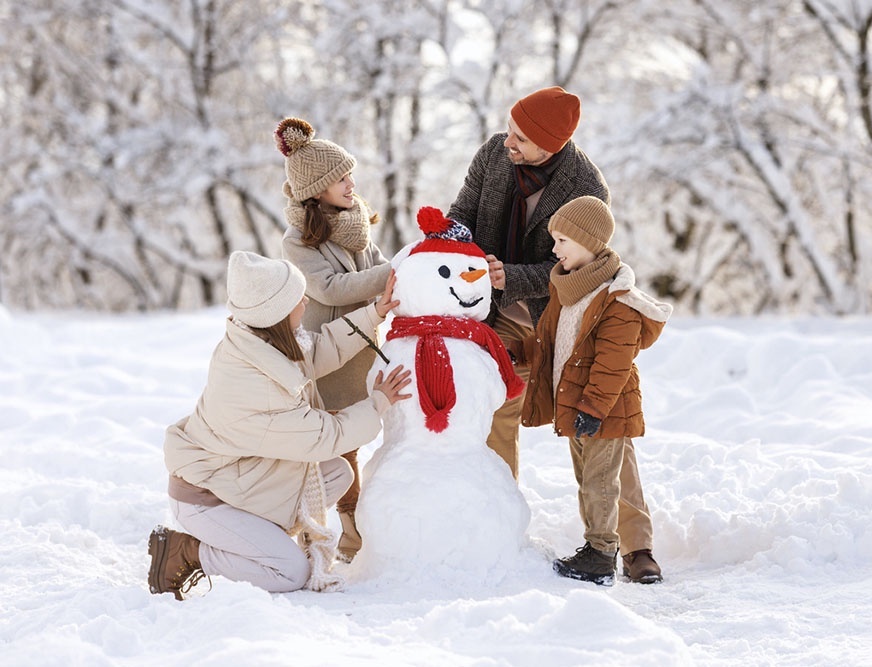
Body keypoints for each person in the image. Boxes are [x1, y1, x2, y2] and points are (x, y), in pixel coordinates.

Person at [446, 86, 664, 582]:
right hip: (497, 309)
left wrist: (513, 275)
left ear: (551, 143)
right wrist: (450, 239)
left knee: (609, 427)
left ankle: (635, 546)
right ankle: (496, 527)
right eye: (511, 129)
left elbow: (574, 264)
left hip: (562, 315)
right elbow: (463, 211)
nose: (509, 142)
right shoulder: (493, 153)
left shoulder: (585, 187)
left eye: (522, 137)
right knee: (493, 404)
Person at [147, 251, 410, 600]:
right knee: (290, 571)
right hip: (207, 499)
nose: (304, 301)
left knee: (336, 473)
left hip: (242, 478)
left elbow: (320, 351)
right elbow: (323, 436)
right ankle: (188, 551)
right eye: (295, 299)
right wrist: (378, 402)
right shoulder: (253, 386)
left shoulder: (263, 343)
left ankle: (262, 539)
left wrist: (375, 312)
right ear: (275, 314)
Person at [518, 196, 672, 585]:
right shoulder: (568, 290)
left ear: (588, 241)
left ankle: (602, 553)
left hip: (601, 408)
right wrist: (514, 351)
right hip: (575, 406)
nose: (554, 249)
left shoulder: (617, 301)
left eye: (562, 240)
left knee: (602, 482)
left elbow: (613, 362)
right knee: (588, 480)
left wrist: (594, 406)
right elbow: (550, 342)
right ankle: (596, 547)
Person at [274, 117, 393, 562]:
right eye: (340, 178)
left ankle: (366, 526)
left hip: (364, 346)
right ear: (317, 187)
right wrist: (393, 274)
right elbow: (333, 289)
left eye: (349, 174)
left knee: (364, 438)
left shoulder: (355, 223)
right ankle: (347, 533)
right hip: (330, 354)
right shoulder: (298, 241)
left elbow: (376, 268)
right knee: (342, 447)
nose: (351, 183)